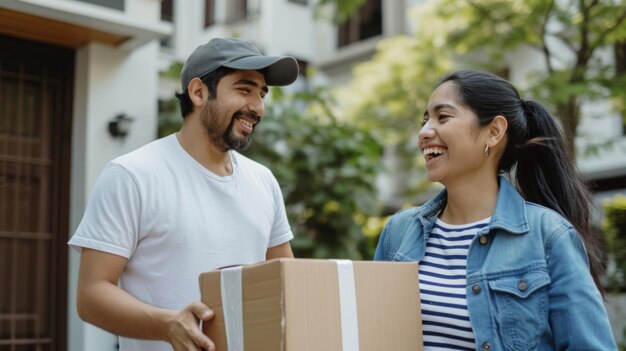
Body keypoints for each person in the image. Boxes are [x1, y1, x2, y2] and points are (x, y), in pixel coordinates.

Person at [69, 38, 299, 351]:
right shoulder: (132, 175)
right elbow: (91, 296)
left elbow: (288, 284)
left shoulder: (264, 181)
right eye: (245, 89)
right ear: (198, 92)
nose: (257, 107)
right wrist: (167, 325)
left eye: (261, 94)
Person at [374, 70, 617, 350]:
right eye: (425, 120)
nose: (425, 132)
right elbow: (370, 333)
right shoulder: (399, 231)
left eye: (443, 117)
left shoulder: (548, 235)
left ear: (494, 131)